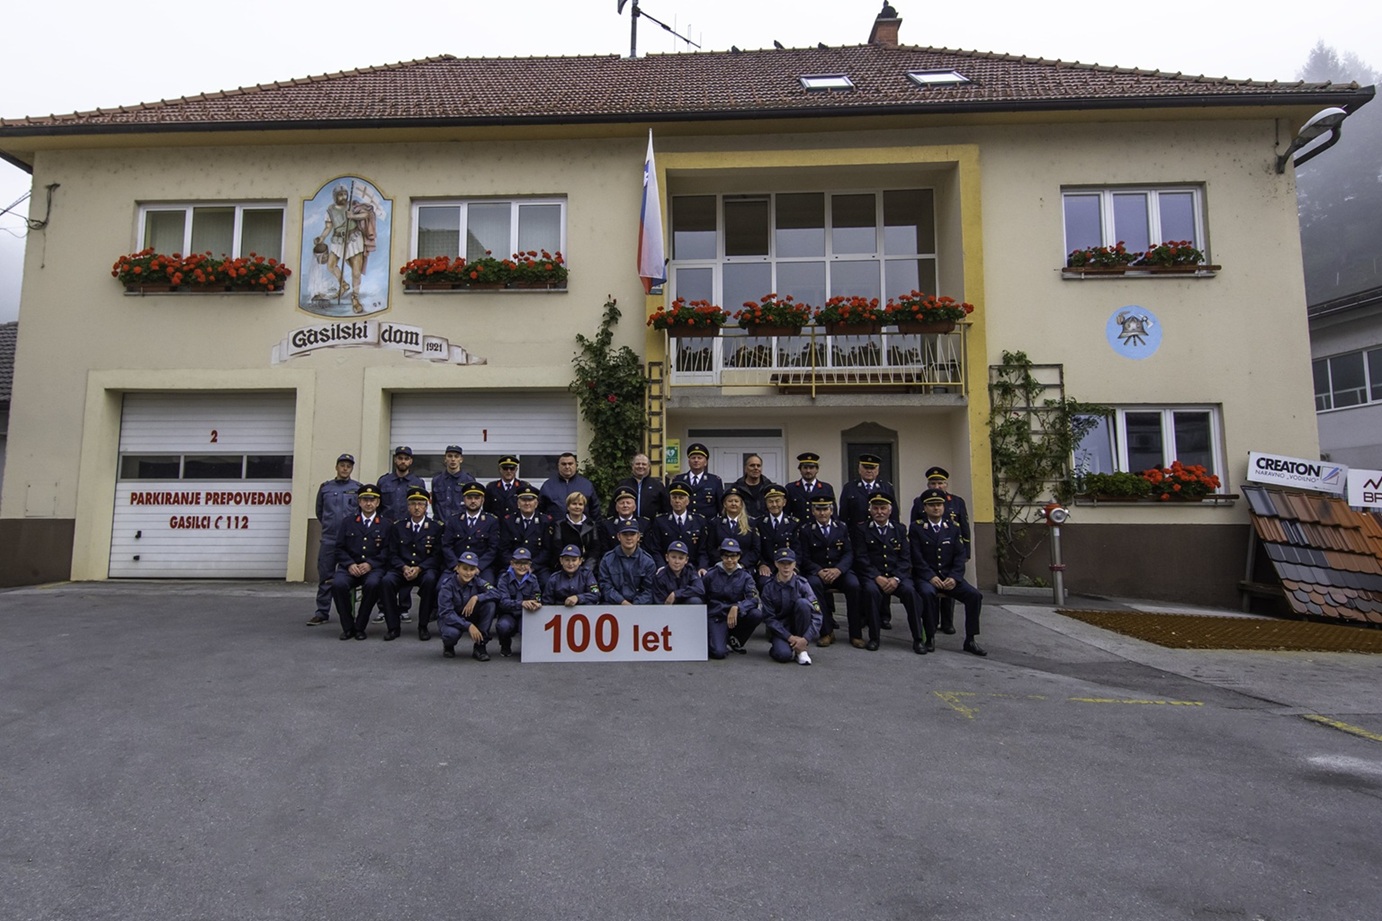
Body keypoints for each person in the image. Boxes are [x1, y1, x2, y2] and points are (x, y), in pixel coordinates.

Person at [911, 488, 987, 656]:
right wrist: (930, 576)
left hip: (949, 577)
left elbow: (960, 556)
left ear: (944, 507)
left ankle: (970, 639)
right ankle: (929, 636)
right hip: (927, 577)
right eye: (932, 505)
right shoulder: (917, 528)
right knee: (927, 594)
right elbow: (916, 557)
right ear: (925, 508)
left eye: (939, 504)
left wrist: (954, 577)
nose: (936, 508)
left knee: (974, 596)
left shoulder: (953, 527)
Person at [852, 492, 931, 652]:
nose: (879, 512)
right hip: (873, 577)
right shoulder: (862, 529)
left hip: (897, 577)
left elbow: (905, 558)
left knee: (910, 592)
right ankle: (874, 638)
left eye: (883, 508)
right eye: (876, 508)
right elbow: (861, 558)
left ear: (890, 510)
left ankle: (918, 639)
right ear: (870, 510)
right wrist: (877, 577)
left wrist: (896, 578)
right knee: (871, 592)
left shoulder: (899, 529)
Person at [909, 465, 972, 636]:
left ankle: (947, 622)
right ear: (928, 485)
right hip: (928, 552)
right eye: (933, 483)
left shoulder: (957, 502)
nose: (937, 486)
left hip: (950, 551)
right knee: (931, 588)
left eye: (940, 483)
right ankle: (932, 622)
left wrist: (966, 551)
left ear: (946, 484)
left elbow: (964, 528)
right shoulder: (920, 501)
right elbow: (914, 526)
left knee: (950, 586)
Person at [381, 485, 444, 642]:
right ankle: (393, 627)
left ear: (426, 506)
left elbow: (437, 556)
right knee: (387, 581)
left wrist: (419, 568)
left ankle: (423, 625)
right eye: (413, 504)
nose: (417, 508)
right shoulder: (398, 526)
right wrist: (404, 567)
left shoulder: (436, 527)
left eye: (420, 504)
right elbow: (392, 553)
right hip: (401, 568)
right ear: (408, 506)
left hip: (424, 569)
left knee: (430, 580)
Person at [798, 494, 861, 647]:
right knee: (813, 585)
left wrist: (838, 569)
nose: (822, 513)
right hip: (818, 572)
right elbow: (804, 557)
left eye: (825, 509)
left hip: (839, 571)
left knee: (854, 585)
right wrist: (818, 570)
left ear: (831, 510)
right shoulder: (806, 530)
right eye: (818, 509)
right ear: (813, 511)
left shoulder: (841, 527)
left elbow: (848, 553)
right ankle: (826, 632)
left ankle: (856, 634)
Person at [330, 483, 389, 641]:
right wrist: (350, 564)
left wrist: (370, 564)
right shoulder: (348, 522)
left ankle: (360, 626)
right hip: (350, 567)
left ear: (378, 502)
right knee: (338, 585)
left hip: (373, 568)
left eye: (372, 500)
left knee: (373, 584)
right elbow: (339, 548)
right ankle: (348, 626)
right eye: (365, 500)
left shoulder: (386, 524)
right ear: (359, 501)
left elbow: (387, 551)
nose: (368, 503)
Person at [308, 453, 360, 627]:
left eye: (348, 466)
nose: (345, 469)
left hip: (349, 541)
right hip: (329, 539)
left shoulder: (357, 488)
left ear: (352, 469)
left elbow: (359, 514)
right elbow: (320, 512)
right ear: (336, 467)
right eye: (342, 465)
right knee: (326, 577)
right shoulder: (325, 488)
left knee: (349, 578)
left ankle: (348, 613)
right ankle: (322, 612)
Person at [378, 445, 426, 624]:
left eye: (406, 458)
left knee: (407, 562)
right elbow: (378, 505)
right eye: (400, 458)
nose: (403, 461)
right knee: (385, 567)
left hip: (408, 530)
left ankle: (404, 607)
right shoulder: (384, 481)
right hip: (386, 529)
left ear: (410, 461)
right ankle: (383, 607)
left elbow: (421, 505)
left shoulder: (417, 482)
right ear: (395, 460)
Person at [315, 183, 377, 314]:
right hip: (338, 240)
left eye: (345, 194)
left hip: (354, 239)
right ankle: (343, 285)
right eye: (340, 195)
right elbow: (328, 227)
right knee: (331, 266)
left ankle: (355, 298)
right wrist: (321, 238)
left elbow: (366, 214)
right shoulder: (330, 210)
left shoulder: (353, 206)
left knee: (356, 272)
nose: (343, 197)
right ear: (335, 196)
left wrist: (353, 216)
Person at [701, 538, 762, 659]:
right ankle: (719, 638)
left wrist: (738, 606)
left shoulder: (745, 576)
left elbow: (754, 599)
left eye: (733, 556)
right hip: (717, 616)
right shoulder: (711, 575)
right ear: (721, 556)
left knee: (756, 614)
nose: (729, 560)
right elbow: (701, 595)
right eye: (726, 556)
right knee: (718, 653)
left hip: (736, 616)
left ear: (739, 556)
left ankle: (735, 640)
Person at [759, 548, 821, 665]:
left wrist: (806, 638)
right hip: (780, 630)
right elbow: (769, 618)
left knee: (803, 604)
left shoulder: (803, 584)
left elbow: (817, 614)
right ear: (776, 564)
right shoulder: (768, 587)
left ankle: (801, 650)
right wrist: (789, 637)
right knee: (783, 655)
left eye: (789, 563)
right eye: (782, 563)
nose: (786, 567)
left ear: (794, 564)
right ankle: (782, 647)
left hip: (799, 627)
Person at [436, 551, 499, 661]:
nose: (468, 573)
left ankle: (480, 646)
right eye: (465, 569)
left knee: (490, 605)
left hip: (470, 615)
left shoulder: (477, 581)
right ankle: (448, 646)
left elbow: (497, 593)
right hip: (452, 618)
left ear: (476, 571)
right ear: (457, 568)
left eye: (472, 569)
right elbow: (446, 613)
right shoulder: (447, 586)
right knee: (451, 634)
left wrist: (477, 597)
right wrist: (468, 626)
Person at [442, 482, 501, 583]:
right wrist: (456, 565)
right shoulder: (453, 520)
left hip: (481, 568)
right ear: (464, 499)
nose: (473, 501)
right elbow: (446, 546)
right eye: (469, 498)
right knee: (440, 587)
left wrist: (479, 567)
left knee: (489, 588)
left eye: (477, 498)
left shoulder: (491, 521)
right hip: (457, 566)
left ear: (482, 500)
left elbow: (493, 548)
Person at [645, 483, 709, 571]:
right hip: (667, 569)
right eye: (674, 497)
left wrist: (702, 567)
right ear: (670, 500)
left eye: (681, 498)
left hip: (692, 569)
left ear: (687, 501)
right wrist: (661, 567)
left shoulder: (699, 521)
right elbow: (655, 549)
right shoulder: (660, 521)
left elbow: (702, 550)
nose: (677, 501)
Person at [494, 547, 543, 658]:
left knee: (529, 627)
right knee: (503, 626)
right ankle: (505, 645)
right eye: (518, 563)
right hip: (508, 614)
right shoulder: (504, 579)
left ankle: (528, 648)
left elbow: (537, 595)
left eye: (525, 563)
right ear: (512, 563)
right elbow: (503, 602)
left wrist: (536, 603)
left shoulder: (533, 579)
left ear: (530, 564)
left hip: (525, 614)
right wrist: (521, 603)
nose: (522, 566)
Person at [501, 486, 554, 582]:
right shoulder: (509, 521)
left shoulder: (545, 521)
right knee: (501, 581)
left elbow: (547, 550)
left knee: (547, 582)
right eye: (523, 500)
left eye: (530, 500)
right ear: (518, 503)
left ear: (536, 503)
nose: (527, 503)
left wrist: (531, 566)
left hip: (537, 567)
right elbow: (504, 549)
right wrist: (516, 566)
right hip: (513, 566)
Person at [597, 523, 657, 605]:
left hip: (640, 606)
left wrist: (634, 605)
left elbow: (649, 590)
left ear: (638, 537)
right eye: (625, 534)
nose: (629, 538)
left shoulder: (648, 561)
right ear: (618, 536)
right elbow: (605, 586)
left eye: (632, 534)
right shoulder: (607, 559)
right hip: (613, 604)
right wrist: (622, 601)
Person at [755, 485, 801, 587]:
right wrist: (761, 564)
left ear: (784, 502)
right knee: (764, 582)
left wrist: (794, 567)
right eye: (770, 502)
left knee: (792, 582)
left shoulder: (793, 524)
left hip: (788, 565)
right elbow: (756, 548)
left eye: (777, 501)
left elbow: (797, 549)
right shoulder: (759, 523)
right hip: (768, 566)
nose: (774, 505)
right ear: (766, 503)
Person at [706, 486, 760, 572]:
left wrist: (742, 564)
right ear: (724, 504)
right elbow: (711, 547)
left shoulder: (751, 523)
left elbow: (756, 549)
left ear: (741, 504)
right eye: (730, 501)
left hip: (744, 568)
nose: (733, 504)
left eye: (736, 501)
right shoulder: (715, 523)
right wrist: (724, 563)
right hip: (720, 568)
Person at [838, 453, 898, 528]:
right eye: (866, 468)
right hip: (855, 532)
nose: (869, 471)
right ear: (859, 470)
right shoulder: (849, 487)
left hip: (880, 532)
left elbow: (894, 514)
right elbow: (843, 515)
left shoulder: (886, 487)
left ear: (878, 471)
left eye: (872, 468)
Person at [539, 452, 601, 521]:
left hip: (581, 527)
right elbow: (540, 509)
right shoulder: (548, 485)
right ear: (558, 466)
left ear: (576, 465)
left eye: (570, 464)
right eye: (563, 464)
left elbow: (595, 510)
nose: (567, 467)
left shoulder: (586, 485)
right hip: (555, 526)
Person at [670, 442, 724, 519]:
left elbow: (721, 506)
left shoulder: (715, 481)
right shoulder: (678, 479)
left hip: (707, 523)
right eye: (693, 458)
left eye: (699, 458)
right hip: (685, 523)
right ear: (689, 462)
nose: (696, 460)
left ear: (705, 462)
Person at [549, 492, 602, 564]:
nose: (577, 507)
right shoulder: (559, 525)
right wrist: (569, 565)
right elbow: (557, 548)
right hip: (566, 565)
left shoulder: (592, 525)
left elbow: (595, 549)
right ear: (568, 506)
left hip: (586, 566)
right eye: (574, 504)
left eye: (580, 504)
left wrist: (587, 567)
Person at [615, 453, 670, 520]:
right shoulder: (623, 484)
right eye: (637, 464)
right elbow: (614, 507)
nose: (640, 466)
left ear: (649, 467)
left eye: (644, 464)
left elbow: (666, 509)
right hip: (627, 524)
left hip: (651, 525)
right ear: (632, 466)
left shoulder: (657, 485)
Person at [431, 445, 476, 524]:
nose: (453, 459)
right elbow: (435, 504)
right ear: (445, 459)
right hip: (441, 526)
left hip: (461, 525)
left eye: (456, 456)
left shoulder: (469, 480)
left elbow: (472, 504)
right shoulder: (437, 480)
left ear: (461, 459)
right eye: (450, 456)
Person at [784, 452, 835, 522]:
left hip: (818, 528)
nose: (808, 471)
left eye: (811, 468)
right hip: (797, 527)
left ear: (817, 470)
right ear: (800, 470)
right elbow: (786, 513)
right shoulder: (791, 488)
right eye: (805, 468)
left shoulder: (826, 488)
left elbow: (833, 513)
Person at [651, 540, 705, 605]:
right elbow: (660, 603)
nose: (677, 562)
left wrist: (676, 594)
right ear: (667, 557)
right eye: (673, 557)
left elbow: (700, 589)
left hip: (686, 608)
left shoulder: (690, 571)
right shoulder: (660, 577)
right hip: (667, 609)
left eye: (681, 558)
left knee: (695, 601)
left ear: (686, 560)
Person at [601, 486, 650, 555]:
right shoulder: (607, 525)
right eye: (622, 503)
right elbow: (605, 550)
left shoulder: (644, 524)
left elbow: (648, 549)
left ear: (634, 507)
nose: (625, 505)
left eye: (628, 503)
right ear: (616, 507)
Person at [485, 454, 531, 519]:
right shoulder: (491, 488)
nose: (509, 471)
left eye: (512, 468)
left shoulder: (523, 487)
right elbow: (487, 510)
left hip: (516, 524)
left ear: (516, 470)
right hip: (497, 524)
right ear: (500, 469)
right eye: (505, 468)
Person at [730, 453, 775, 519]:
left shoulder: (769, 487)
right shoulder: (736, 487)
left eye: (758, 466)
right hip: (743, 523)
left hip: (765, 523)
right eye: (752, 465)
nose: (756, 468)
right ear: (745, 468)